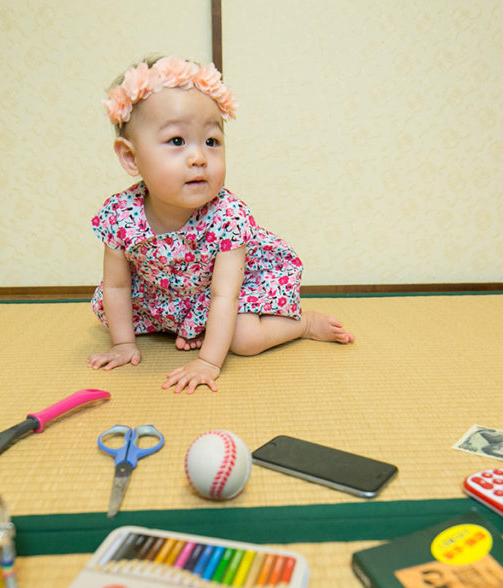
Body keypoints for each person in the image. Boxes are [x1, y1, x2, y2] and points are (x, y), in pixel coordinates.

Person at [86, 56, 354, 393]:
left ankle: (303, 324)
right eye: (177, 141)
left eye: (211, 142)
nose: (199, 157)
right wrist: (123, 344)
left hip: (230, 289)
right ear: (130, 157)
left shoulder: (226, 216)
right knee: (115, 313)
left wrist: (209, 362)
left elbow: (224, 295)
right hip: (168, 293)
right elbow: (117, 287)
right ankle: (188, 325)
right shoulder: (121, 215)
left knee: (244, 339)